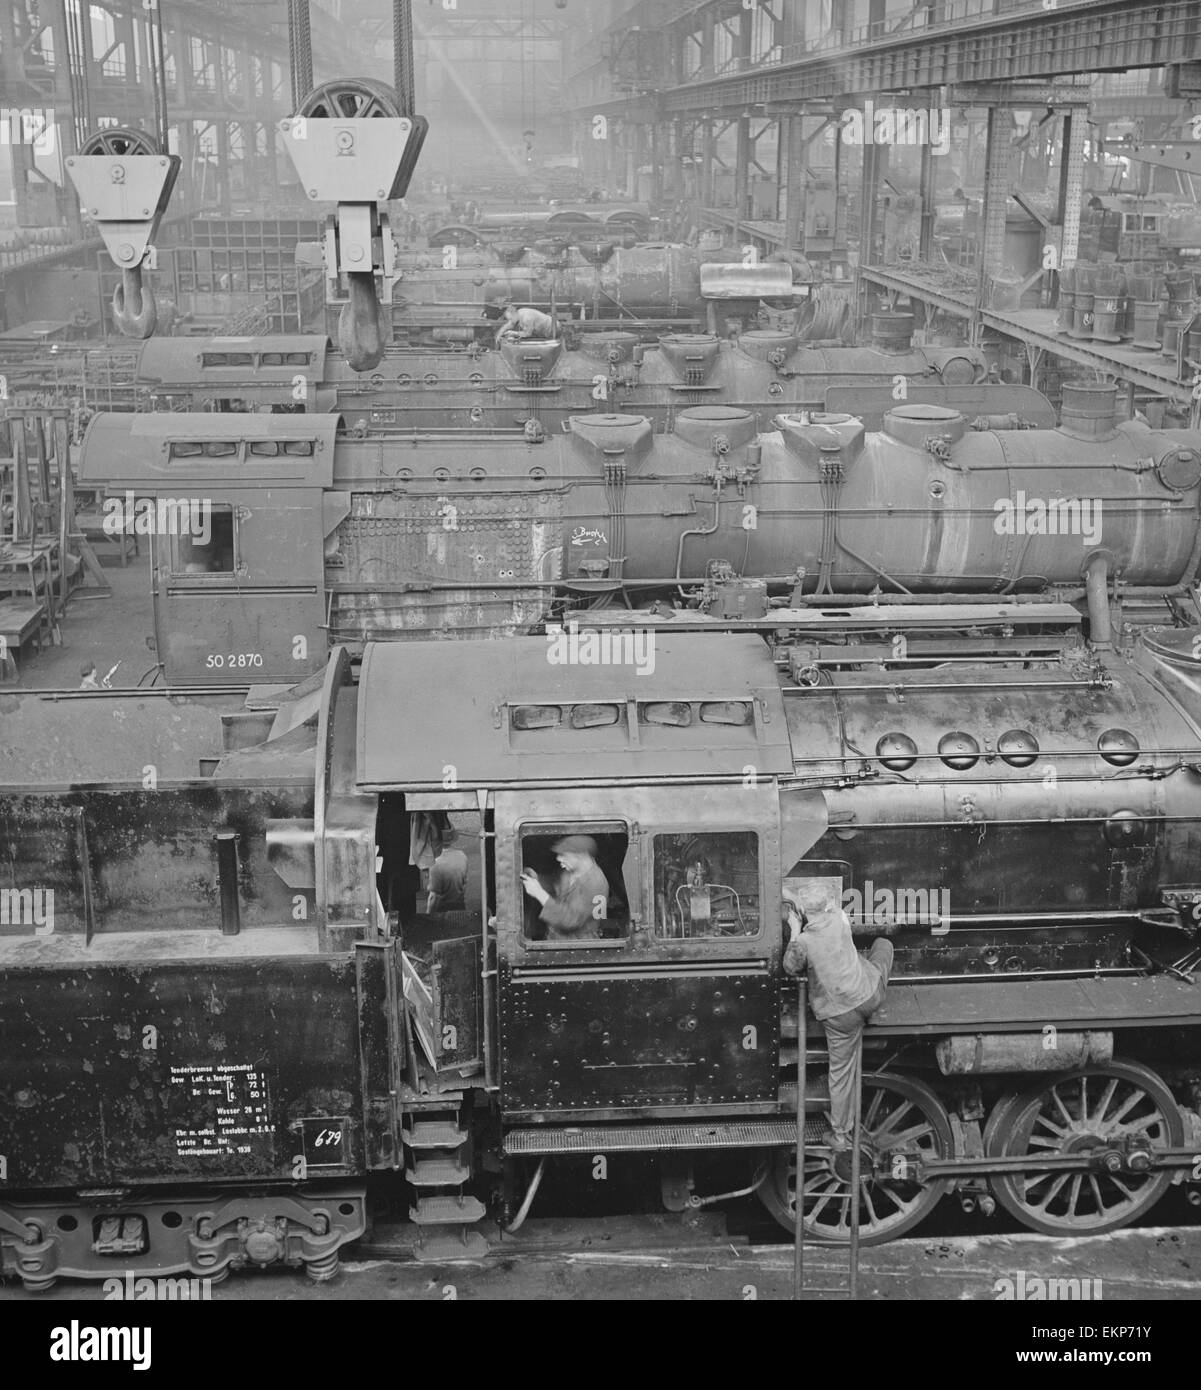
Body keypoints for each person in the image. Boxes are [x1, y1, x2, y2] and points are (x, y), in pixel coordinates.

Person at [781, 888, 894, 1181]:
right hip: (869, 995)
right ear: (829, 905)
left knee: (841, 1072)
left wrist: (794, 930)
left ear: (803, 913)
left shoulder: (803, 943)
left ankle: (841, 1135)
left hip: (840, 1015)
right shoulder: (840, 918)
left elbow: (789, 967)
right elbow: (822, 908)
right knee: (883, 946)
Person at [520, 835, 610, 939]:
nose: (558, 858)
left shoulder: (596, 883)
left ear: (581, 855)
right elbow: (554, 885)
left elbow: (570, 921)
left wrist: (539, 893)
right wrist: (536, 879)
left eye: (563, 855)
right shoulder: (568, 872)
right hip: (556, 939)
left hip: (578, 946)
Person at [427, 831, 469, 914]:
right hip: (460, 906)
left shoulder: (435, 862)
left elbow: (434, 896)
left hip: (442, 909)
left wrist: (428, 913)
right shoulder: (462, 856)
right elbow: (465, 885)